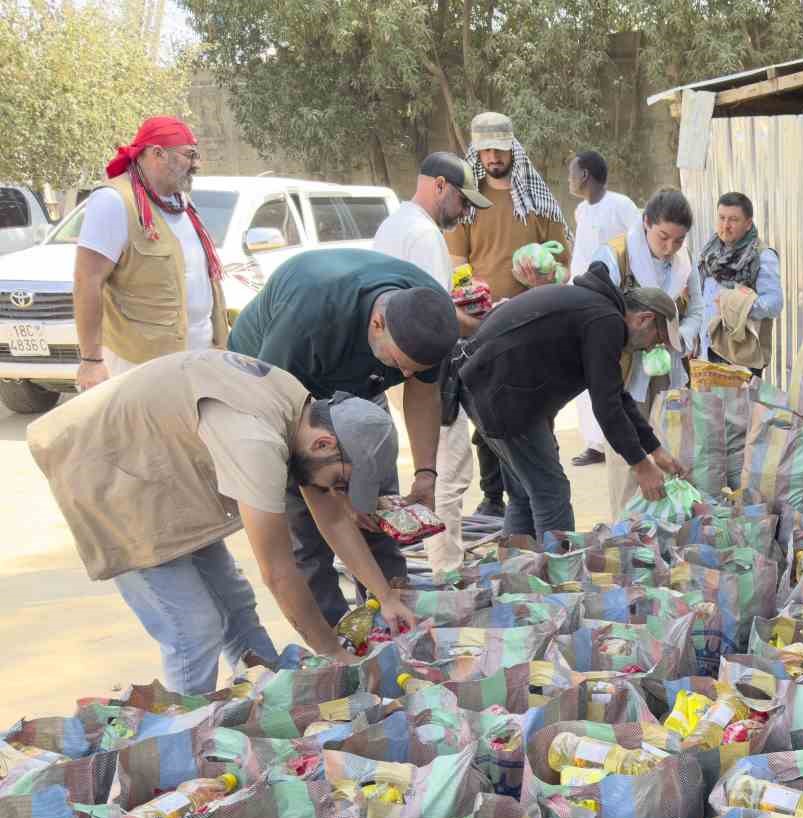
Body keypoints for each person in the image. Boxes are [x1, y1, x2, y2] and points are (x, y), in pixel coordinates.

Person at [27, 350, 418, 692]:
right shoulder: (255, 441)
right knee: (193, 629)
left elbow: (331, 520)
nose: (338, 494)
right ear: (324, 444)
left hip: (160, 468)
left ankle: (266, 698)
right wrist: (331, 651)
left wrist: (383, 596)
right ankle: (186, 741)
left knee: (237, 607)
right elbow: (280, 573)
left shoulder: (303, 413)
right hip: (105, 467)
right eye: (340, 482)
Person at [228, 249, 456, 626]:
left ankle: (395, 618)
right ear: (379, 322)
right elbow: (316, 489)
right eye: (400, 364)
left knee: (378, 508)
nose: (404, 374)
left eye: (411, 370)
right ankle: (338, 640)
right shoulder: (308, 319)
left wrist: (426, 473)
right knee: (308, 526)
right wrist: (339, 495)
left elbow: (423, 393)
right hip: (273, 388)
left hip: (356, 390)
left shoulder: (428, 315)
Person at [456, 261, 687, 542]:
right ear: (645, 319)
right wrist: (641, 465)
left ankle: (520, 576)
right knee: (550, 493)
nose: (652, 347)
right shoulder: (606, 321)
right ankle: (561, 579)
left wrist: (655, 450)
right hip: (502, 394)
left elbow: (615, 395)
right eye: (658, 339)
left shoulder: (596, 309)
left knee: (526, 493)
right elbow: (606, 407)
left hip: (491, 386)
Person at [446, 111, 573, 522]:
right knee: (488, 418)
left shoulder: (537, 198)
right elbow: (456, 260)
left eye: (500, 148)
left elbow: (564, 265)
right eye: (485, 150)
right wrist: (469, 298)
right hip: (480, 326)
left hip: (532, 328)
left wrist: (544, 280)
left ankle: (536, 491)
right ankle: (493, 496)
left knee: (537, 412)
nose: (493, 156)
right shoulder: (467, 203)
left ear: (512, 147)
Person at [372, 151, 490, 581]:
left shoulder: (394, 224)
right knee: (449, 473)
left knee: (437, 468)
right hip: (429, 372)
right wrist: (482, 322)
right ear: (440, 185)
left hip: (396, 362)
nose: (465, 212)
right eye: (463, 201)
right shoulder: (424, 235)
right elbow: (437, 317)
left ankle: (445, 563)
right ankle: (448, 571)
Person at [72, 116, 227, 392]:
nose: (197, 164)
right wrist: (91, 360)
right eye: (189, 155)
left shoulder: (181, 202)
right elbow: (87, 282)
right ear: (157, 153)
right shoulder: (113, 201)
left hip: (198, 355)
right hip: (139, 364)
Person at [593, 187, 705, 515]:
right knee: (629, 455)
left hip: (668, 369)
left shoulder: (685, 262)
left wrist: (677, 337)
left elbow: (696, 310)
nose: (670, 248)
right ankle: (627, 533)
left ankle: (664, 531)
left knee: (670, 447)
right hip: (627, 371)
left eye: (679, 240)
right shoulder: (615, 256)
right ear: (646, 223)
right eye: (663, 237)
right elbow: (598, 315)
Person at [566, 149, 639, 468]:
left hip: (611, 300)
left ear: (585, 175)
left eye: (572, 173)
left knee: (611, 372)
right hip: (579, 299)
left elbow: (637, 245)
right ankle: (594, 442)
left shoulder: (621, 205)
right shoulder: (581, 211)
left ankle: (618, 439)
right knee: (582, 371)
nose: (569, 179)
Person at [697, 191, 783, 377]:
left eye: (733, 220)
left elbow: (774, 304)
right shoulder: (710, 252)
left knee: (740, 406)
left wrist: (733, 307)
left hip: (740, 355)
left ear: (748, 223)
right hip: (707, 351)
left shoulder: (762, 255)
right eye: (721, 218)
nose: (725, 226)